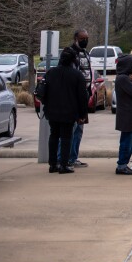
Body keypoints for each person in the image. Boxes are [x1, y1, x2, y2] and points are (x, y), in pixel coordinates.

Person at [42, 47, 89, 174]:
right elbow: (82, 97)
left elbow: (42, 92)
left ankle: (52, 164)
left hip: (52, 111)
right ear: (73, 61)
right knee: (66, 138)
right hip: (69, 112)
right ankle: (63, 164)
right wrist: (83, 114)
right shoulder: (77, 75)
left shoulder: (51, 72)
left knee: (54, 135)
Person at [58, 29, 93, 169]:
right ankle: (62, 159)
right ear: (76, 38)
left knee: (79, 129)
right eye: (83, 38)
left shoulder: (86, 53)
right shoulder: (69, 53)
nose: (85, 40)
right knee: (69, 129)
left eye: (87, 38)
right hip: (73, 97)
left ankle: (73, 157)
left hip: (83, 96)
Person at [114, 54, 132, 175]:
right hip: (127, 115)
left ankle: (124, 164)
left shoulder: (125, 78)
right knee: (127, 141)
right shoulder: (123, 78)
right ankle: (122, 165)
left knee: (130, 140)